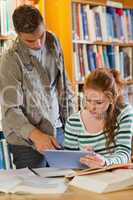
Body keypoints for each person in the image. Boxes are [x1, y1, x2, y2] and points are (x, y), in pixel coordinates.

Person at [0, 5, 75, 169]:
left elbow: (65, 84)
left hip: (59, 130)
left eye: (41, 35)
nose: (39, 44)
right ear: (18, 35)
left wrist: (75, 124)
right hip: (27, 140)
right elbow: (10, 110)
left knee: (65, 187)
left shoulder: (53, 41)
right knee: (35, 191)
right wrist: (37, 136)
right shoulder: (9, 59)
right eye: (30, 41)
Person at [64, 68, 133, 168]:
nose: (92, 107)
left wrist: (104, 162)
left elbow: (124, 154)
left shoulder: (124, 113)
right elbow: (68, 163)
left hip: (116, 178)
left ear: (111, 99)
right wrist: (82, 158)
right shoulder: (73, 122)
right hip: (86, 180)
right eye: (88, 100)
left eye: (99, 102)